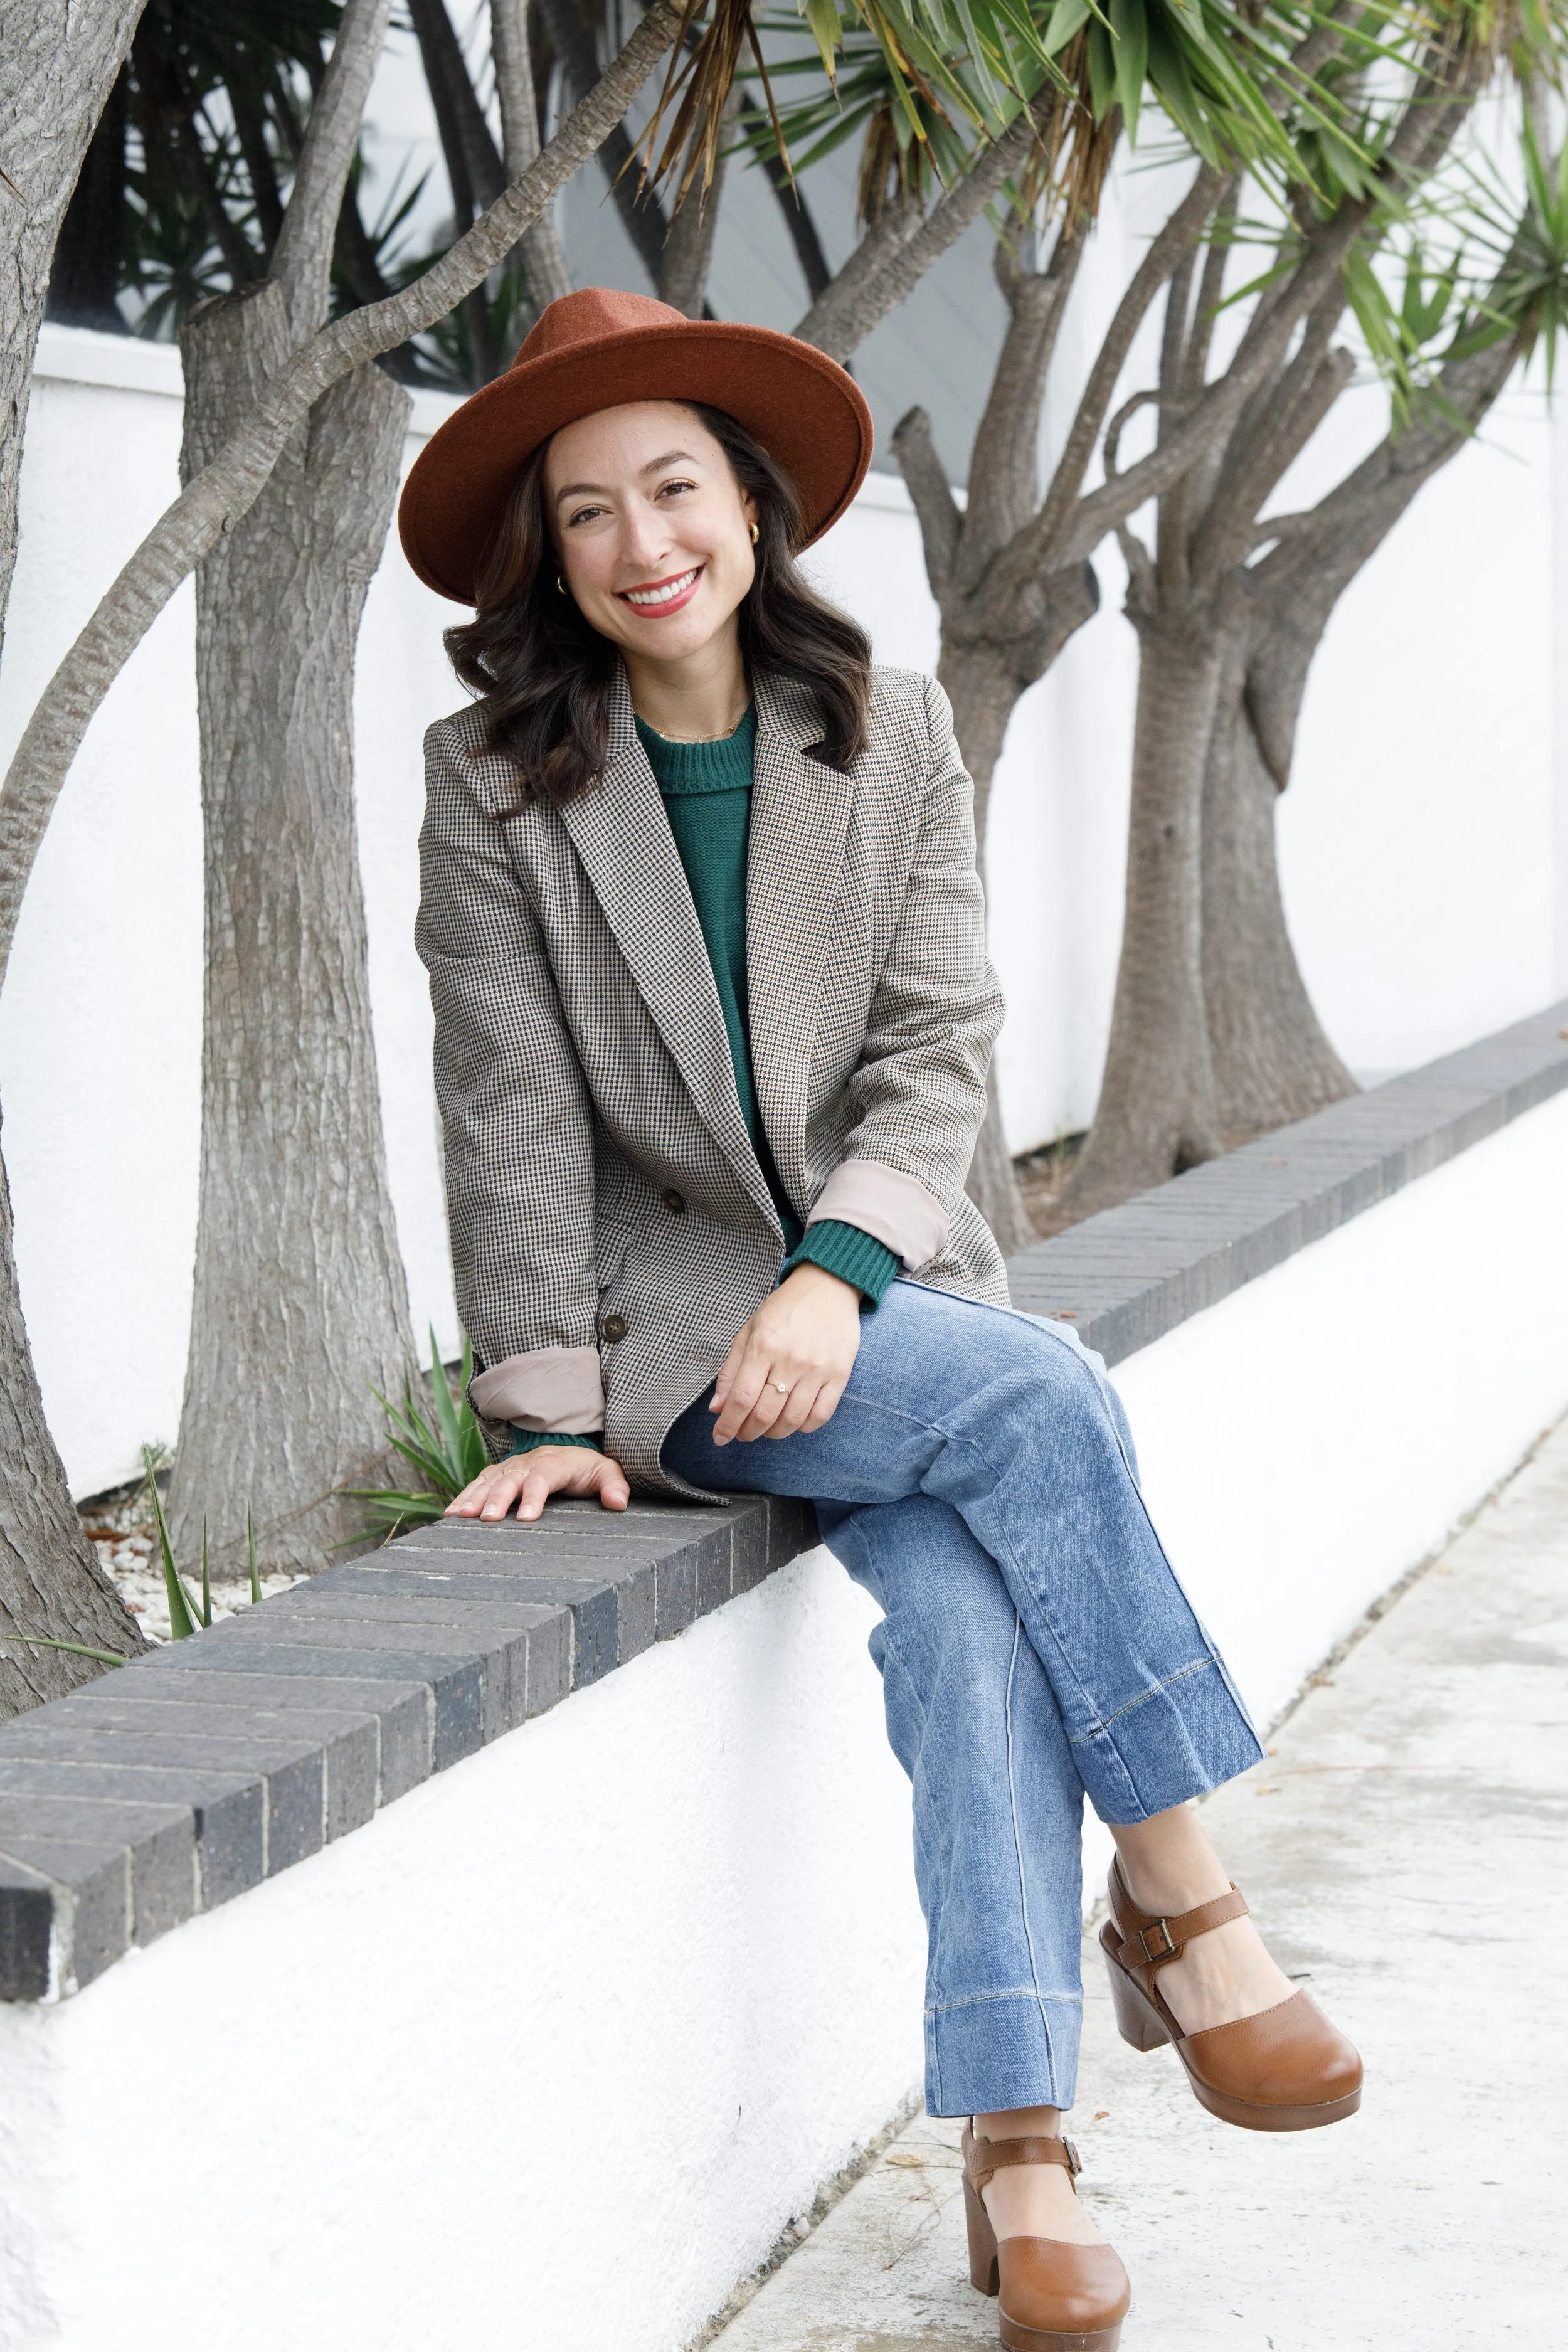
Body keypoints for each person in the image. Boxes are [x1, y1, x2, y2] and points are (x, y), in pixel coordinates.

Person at [399, 285, 1362, 2352]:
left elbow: (940, 1051)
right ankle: (1185, 1903)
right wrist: (539, 1410)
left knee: (963, 1626)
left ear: (749, 508)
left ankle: (1019, 2142)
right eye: (587, 511)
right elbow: (508, 1114)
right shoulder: (492, 785)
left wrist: (839, 1278)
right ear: (546, 557)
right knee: (1042, 1406)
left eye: (676, 486)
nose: (642, 538)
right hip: (677, 1337)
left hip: (892, 1285)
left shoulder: (892, 727)